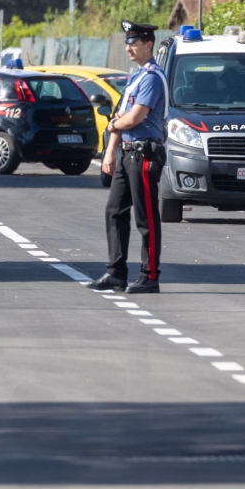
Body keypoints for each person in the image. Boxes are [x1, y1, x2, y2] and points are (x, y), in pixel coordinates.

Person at [89, 20, 169, 294]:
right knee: (114, 211)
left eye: (134, 43)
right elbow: (118, 118)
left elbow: (134, 117)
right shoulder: (135, 77)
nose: (129, 47)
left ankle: (150, 276)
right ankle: (116, 272)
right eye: (127, 43)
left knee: (145, 218)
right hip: (126, 153)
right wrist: (110, 150)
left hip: (144, 153)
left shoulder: (152, 78)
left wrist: (114, 125)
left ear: (149, 44)